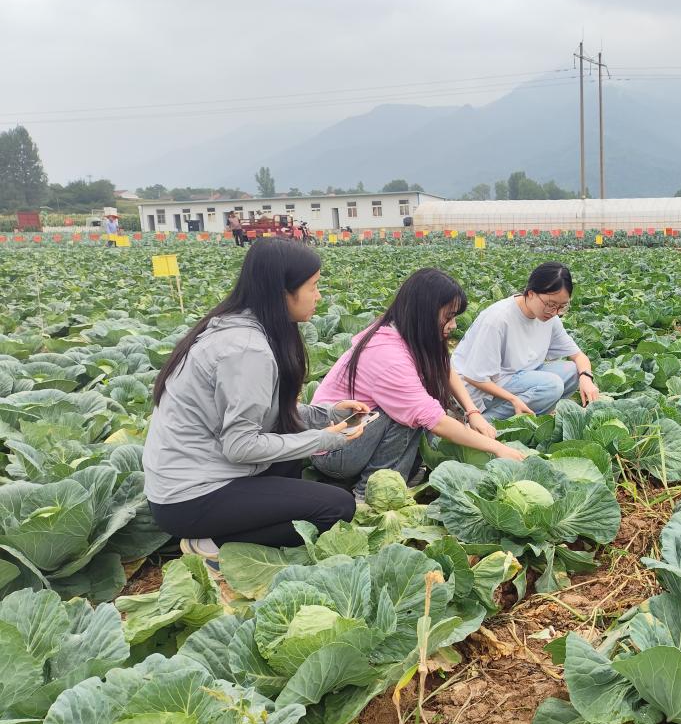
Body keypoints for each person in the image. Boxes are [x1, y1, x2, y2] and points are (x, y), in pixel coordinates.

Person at [143, 239, 366, 561]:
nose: (319, 296)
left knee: (290, 444)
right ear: (282, 292)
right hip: (189, 498)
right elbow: (241, 447)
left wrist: (326, 415)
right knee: (337, 507)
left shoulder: (240, 326)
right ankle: (214, 543)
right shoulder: (248, 350)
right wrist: (326, 440)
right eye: (314, 286)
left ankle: (237, 522)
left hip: (192, 478)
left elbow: (264, 414)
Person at [312, 268, 525, 495]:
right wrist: (498, 448)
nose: (452, 325)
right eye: (448, 316)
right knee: (410, 415)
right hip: (333, 450)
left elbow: (442, 365)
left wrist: (472, 412)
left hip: (355, 435)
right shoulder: (387, 354)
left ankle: (395, 474)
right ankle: (369, 494)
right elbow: (436, 421)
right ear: (424, 312)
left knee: (415, 407)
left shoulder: (405, 331)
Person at [452, 262, 600, 420]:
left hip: (518, 377)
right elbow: (473, 377)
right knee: (552, 386)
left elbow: (579, 356)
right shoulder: (498, 319)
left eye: (561, 307)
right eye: (550, 304)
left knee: (573, 372)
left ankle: (532, 417)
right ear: (530, 293)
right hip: (478, 391)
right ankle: (486, 421)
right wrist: (513, 399)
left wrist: (586, 376)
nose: (555, 312)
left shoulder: (550, 318)